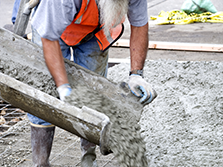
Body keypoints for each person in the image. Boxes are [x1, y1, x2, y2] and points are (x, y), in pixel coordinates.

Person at [28, 0, 157, 166]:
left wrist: (136, 74)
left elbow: (139, 25)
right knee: (44, 93)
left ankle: (88, 159)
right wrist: (63, 86)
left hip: (95, 30)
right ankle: (41, 162)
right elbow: (48, 38)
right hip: (53, 27)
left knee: (94, 92)